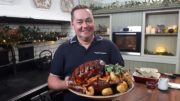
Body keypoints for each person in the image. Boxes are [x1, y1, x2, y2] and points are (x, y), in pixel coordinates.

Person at [48, 5, 124, 101]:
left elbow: (121, 72)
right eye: (79, 22)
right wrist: (66, 84)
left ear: (93, 21)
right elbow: (51, 81)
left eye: (88, 20)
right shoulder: (63, 49)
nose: (85, 25)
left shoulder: (109, 46)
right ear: (72, 24)